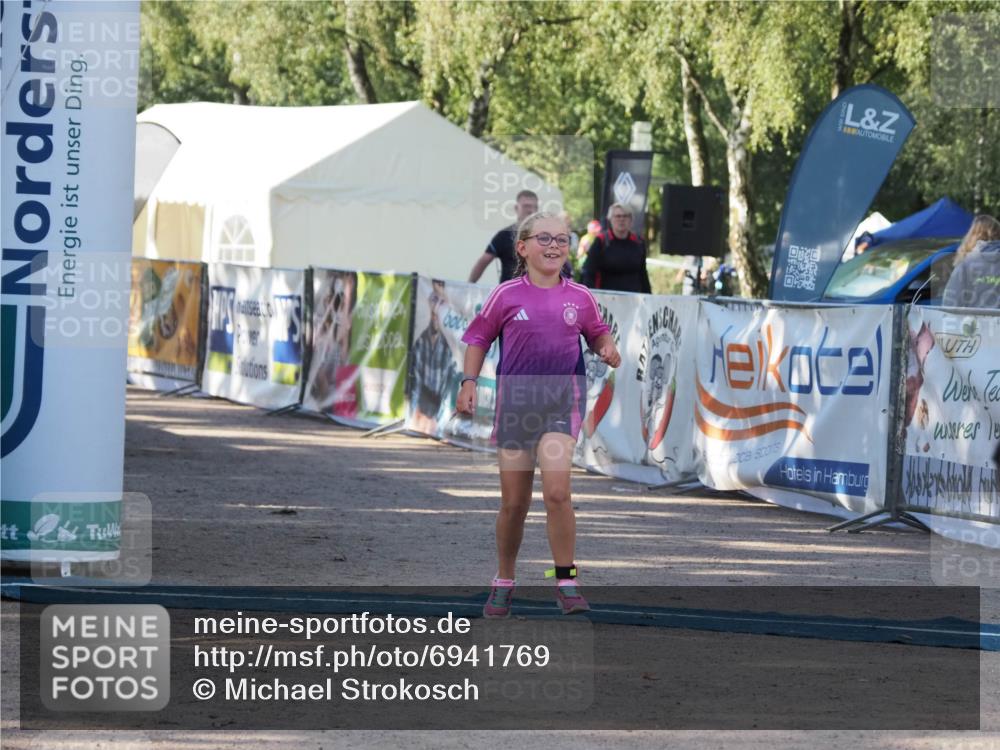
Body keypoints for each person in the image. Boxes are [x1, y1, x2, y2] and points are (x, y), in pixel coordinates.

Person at [457, 211, 621, 618]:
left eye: (562, 239)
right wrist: (469, 382)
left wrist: (606, 346)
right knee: (514, 504)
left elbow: (597, 330)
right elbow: (478, 338)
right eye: (544, 238)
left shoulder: (579, 297)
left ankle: (566, 581)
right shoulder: (506, 295)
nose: (553, 246)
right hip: (516, 405)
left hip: (561, 403)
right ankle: (504, 580)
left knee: (557, 493)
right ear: (522, 247)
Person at [409, 280, 459, 434]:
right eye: (434, 310)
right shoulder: (420, 342)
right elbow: (415, 382)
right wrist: (414, 413)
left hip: (437, 408)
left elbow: (448, 389)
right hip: (422, 404)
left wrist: (439, 420)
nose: (436, 315)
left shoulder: (448, 347)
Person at [468, 190, 539, 284]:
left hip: (538, 295)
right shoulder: (504, 235)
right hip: (509, 295)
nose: (530, 210)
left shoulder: (546, 236)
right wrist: (469, 286)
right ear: (516, 208)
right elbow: (483, 262)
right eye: (526, 206)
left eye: (534, 207)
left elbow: (560, 263)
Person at [580, 203, 652, 293]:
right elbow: (589, 271)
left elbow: (643, 273)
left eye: (625, 216)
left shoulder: (639, 242)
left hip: (634, 298)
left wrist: (648, 296)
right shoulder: (601, 241)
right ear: (610, 219)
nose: (621, 219)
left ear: (631, 220)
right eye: (617, 216)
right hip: (606, 298)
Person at [942, 215, 1000, 309]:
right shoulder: (966, 262)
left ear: (973, 235)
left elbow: (951, 302)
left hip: (973, 321)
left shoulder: (966, 262)